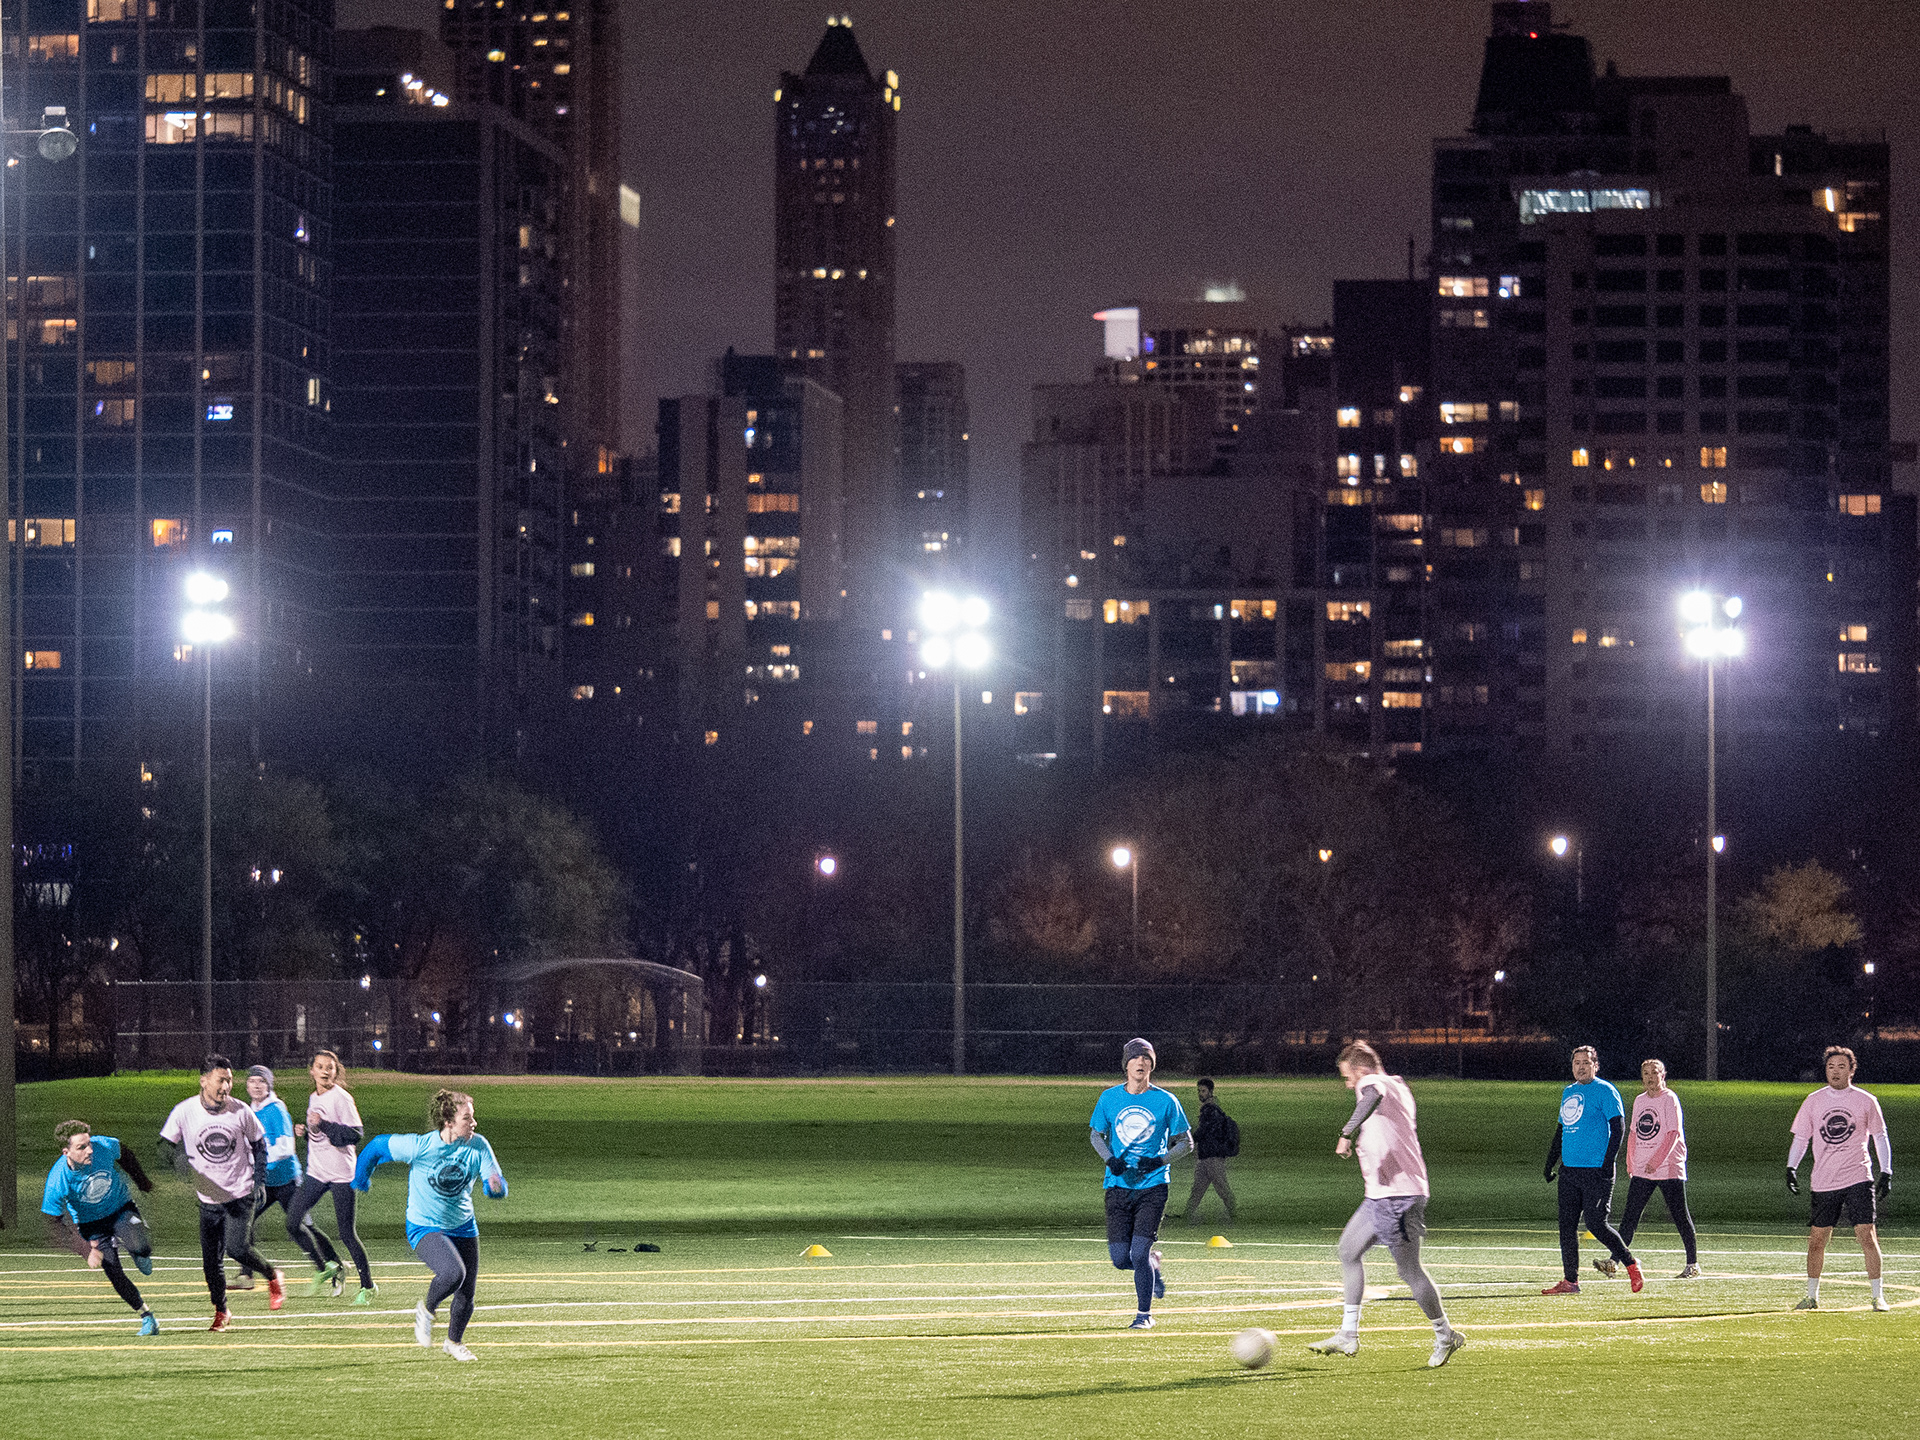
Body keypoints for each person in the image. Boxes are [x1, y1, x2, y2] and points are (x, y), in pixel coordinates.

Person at [1307, 1042, 1465, 1367]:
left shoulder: (1372, 1083)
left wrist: (1347, 1133)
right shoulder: (1400, 1085)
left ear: (1360, 1069)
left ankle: (1445, 1334)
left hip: (1398, 1194)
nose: (1348, 1084)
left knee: (1409, 1270)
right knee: (1348, 1251)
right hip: (1379, 1194)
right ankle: (1348, 1334)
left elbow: (1371, 1095)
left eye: (1347, 1077)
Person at [354, 1088, 508, 1361]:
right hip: (424, 1225)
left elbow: (494, 1179)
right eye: (467, 1118)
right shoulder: (421, 1146)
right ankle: (426, 1310)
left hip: (462, 1225)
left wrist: (495, 1186)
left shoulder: (478, 1145)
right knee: (452, 1273)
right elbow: (377, 1146)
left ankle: (454, 1342)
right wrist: (361, 1178)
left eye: (472, 1118)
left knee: (467, 1293)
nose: (473, 1123)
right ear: (448, 1122)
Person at [159, 1053, 285, 1328]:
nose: (226, 1086)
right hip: (208, 1200)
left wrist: (259, 1181)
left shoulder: (241, 1111)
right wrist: (178, 1161)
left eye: (229, 1081)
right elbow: (164, 1146)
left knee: (237, 1248)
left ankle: (272, 1274)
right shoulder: (184, 1111)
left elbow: (260, 1146)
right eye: (220, 1080)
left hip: (240, 1194)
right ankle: (222, 1311)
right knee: (210, 1263)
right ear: (204, 1080)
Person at [1088, 1038, 1192, 1330]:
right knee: (1121, 1259)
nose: (1141, 1062)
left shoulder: (1166, 1101)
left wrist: (1161, 1160)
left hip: (1152, 1186)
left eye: (1146, 1058)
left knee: (1138, 1252)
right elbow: (1096, 1135)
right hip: (1118, 1186)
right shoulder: (1109, 1098)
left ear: (1151, 1065)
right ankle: (1153, 1265)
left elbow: (1187, 1142)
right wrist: (1110, 1160)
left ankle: (1143, 1315)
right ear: (1126, 1064)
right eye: (1135, 1058)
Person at [1788, 1045, 1892, 1312]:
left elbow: (1880, 1136)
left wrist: (1886, 1171)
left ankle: (1877, 1296)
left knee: (1866, 1235)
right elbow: (1802, 1138)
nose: (1835, 1072)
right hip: (1824, 1179)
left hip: (1858, 1175)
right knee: (1817, 1240)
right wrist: (1791, 1167)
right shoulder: (1813, 1100)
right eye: (1831, 1067)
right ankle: (1811, 1296)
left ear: (1851, 1070)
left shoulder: (1865, 1100)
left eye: (1841, 1067)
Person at [40, 1121, 161, 1336]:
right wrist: (85, 1250)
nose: (90, 1150)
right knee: (113, 1271)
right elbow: (52, 1222)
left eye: (89, 1143)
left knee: (140, 1246)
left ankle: (140, 1253)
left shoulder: (103, 1145)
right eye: (81, 1147)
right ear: (66, 1152)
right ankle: (147, 1317)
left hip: (120, 1209)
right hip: (91, 1225)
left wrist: (142, 1181)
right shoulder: (57, 1179)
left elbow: (126, 1154)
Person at [1541, 1045, 1642, 1295]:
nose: (1581, 1067)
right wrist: (1550, 1161)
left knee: (1596, 1224)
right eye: (1576, 1062)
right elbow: (1561, 1130)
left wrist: (1608, 1162)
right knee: (1566, 1226)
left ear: (1595, 1065)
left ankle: (1630, 1264)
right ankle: (1570, 1281)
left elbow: (1617, 1127)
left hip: (1596, 1171)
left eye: (1586, 1062)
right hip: (1569, 1171)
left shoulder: (1605, 1091)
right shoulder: (1568, 1092)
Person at [236, 1065, 343, 1294]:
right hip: (265, 1183)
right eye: (252, 1081)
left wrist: (257, 1161)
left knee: (304, 1227)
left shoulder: (276, 1109)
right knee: (244, 1222)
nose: (256, 1085)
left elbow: (286, 1147)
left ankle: (333, 1267)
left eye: (261, 1082)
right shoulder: (249, 1110)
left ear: (269, 1085)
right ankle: (246, 1274)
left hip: (287, 1181)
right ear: (246, 1085)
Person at [288, 1049, 378, 1303]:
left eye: (330, 1067)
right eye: (320, 1066)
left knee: (347, 1233)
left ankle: (368, 1287)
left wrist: (323, 1125)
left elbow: (355, 1134)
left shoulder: (342, 1098)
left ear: (336, 1072)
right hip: (317, 1172)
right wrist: (305, 1131)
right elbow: (319, 1136)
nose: (326, 1071)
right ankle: (332, 1265)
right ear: (312, 1071)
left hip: (341, 1174)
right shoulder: (313, 1097)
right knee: (293, 1222)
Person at [1604, 1059, 1699, 1281]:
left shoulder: (1669, 1099)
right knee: (1630, 1217)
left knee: (1679, 1215)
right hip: (1643, 1169)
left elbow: (1673, 1134)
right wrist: (1631, 1161)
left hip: (1668, 1167)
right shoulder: (1639, 1101)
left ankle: (1692, 1264)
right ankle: (1614, 1261)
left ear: (1663, 1075)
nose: (1649, 1077)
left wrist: (1656, 1161)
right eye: (1645, 1073)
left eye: (1654, 1073)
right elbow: (1634, 1133)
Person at [1184, 1077, 1238, 1225]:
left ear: (1210, 1092)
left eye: (1203, 1091)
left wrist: (1188, 1140)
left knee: (1222, 1187)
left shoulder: (1210, 1110)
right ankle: (1187, 1216)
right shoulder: (1210, 1108)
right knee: (1197, 1188)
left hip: (1212, 1156)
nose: (1200, 1094)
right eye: (1199, 1091)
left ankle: (1234, 1215)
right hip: (1205, 1156)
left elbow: (1204, 1132)